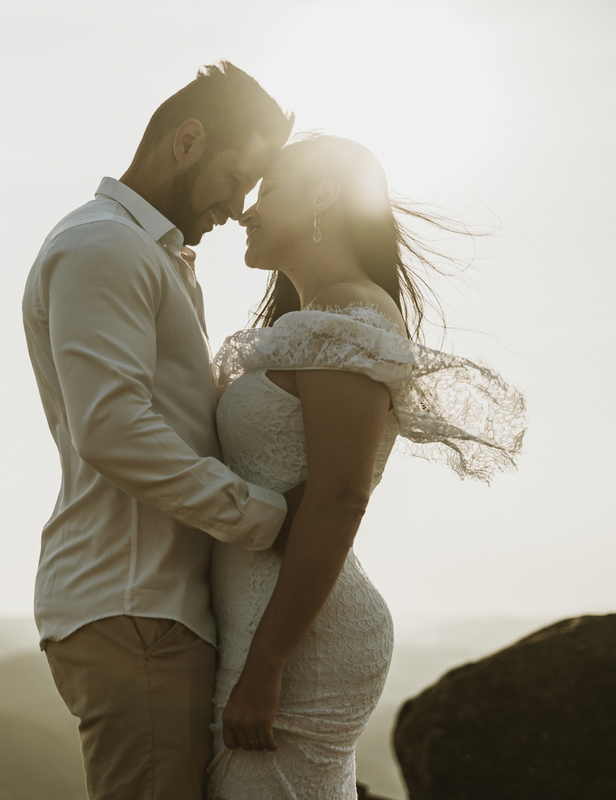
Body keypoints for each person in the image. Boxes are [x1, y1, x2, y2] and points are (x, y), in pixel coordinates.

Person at [205, 134, 526, 799]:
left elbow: (341, 495)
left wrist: (266, 666)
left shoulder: (351, 314)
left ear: (324, 194)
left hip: (299, 645)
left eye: (268, 192)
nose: (246, 210)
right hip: (265, 624)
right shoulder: (315, 319)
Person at [21, 63, 296, 800]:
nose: (238, 207)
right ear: (188, 141)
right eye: (235, 179)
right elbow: (110, 429)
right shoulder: (104, 246)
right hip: (133, 607)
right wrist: (264, 518)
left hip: (151, 607)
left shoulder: (151, 255)